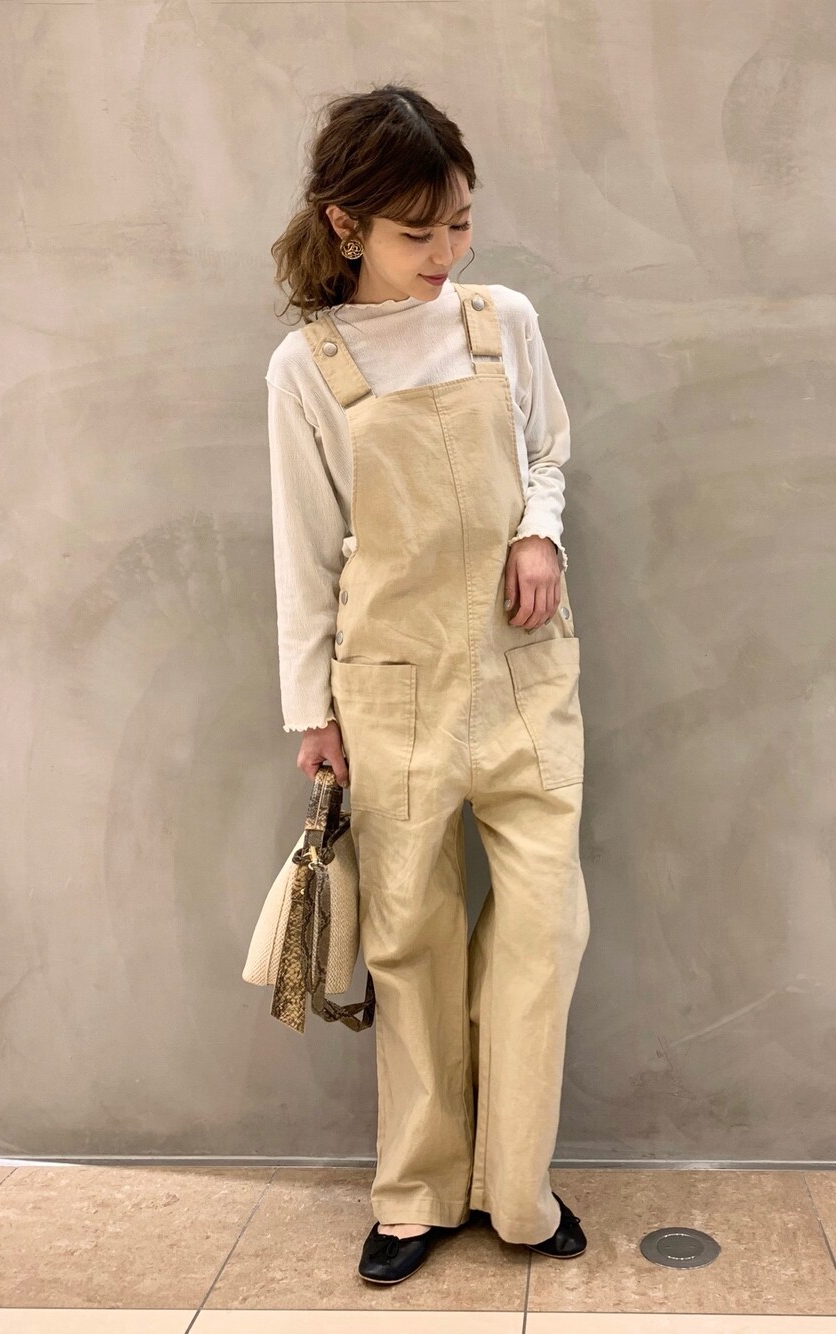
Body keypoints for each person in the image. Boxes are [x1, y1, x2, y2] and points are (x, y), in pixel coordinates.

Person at [265, 84, 590, 1284]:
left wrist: (538, 532)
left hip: (524, 671)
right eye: (418, 232)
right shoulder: (309, 366)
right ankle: (413, 1192)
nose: (446, 253)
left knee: (543, 932)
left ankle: (516, 1189)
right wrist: (312, 712)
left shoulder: (505, 321)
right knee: (408, 939)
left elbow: (547, 446)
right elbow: (304, 548)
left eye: (459, 222)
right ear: (346, 224)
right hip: (390, 689)